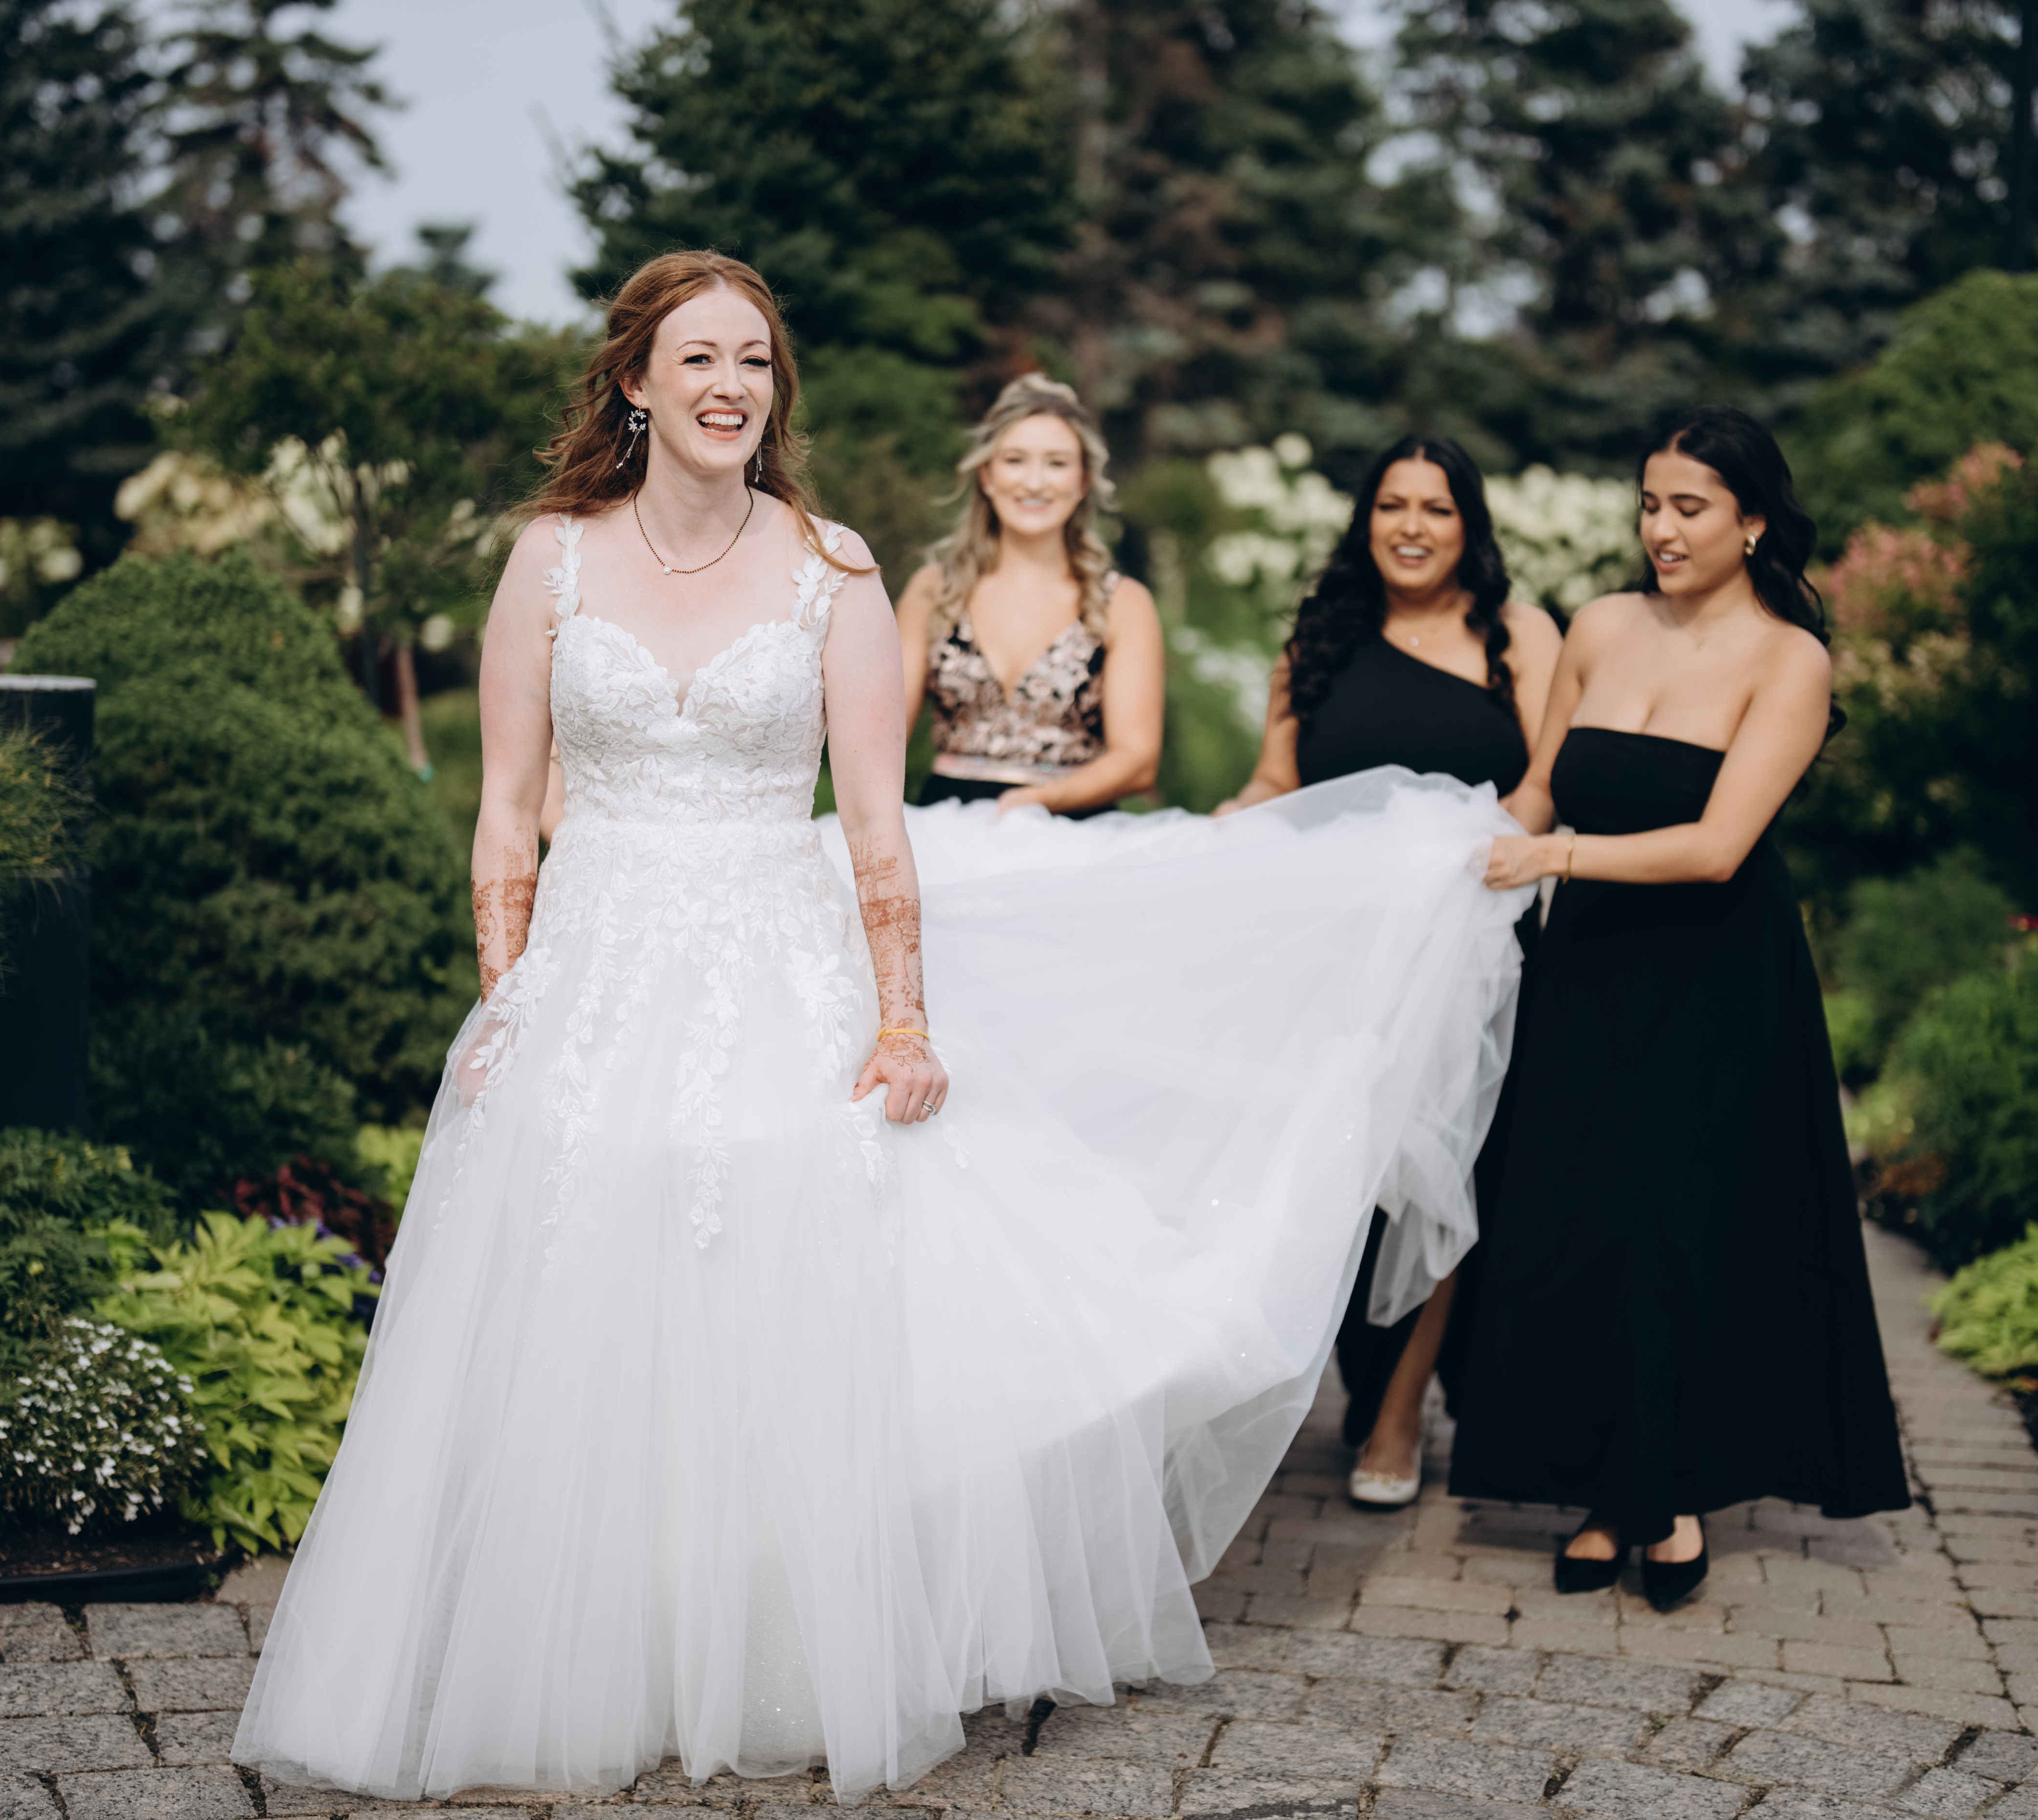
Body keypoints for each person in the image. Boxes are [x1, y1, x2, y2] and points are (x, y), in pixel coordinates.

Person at [233, 250, 1535, 1802]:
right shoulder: (553, 559)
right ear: (635, 382)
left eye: (756, 361)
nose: (730, 386)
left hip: (777, 958)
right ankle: (586, 1640)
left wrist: (905, 1021)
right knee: (583, 1285)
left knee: (773, 1280)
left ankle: (762, 1637)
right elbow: (507, 809)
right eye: (698, 358)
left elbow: (873, 824)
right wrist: (507, 999)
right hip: (593, 973)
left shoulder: (831, 571)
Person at [1449, 404, 1910, 1609]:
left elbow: (1715, 848)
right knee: (1582, 1218)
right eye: (1650, 504)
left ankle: (1678, 1492)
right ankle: (1609, 1488)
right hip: (1587, 970)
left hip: (1718, 978)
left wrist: (1551, 860)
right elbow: (1539, 792)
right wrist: (1436, 854)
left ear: (1751, 522)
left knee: (1684, 1226)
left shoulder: (1789, 660)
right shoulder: (1600, 627)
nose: (1661, 528)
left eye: (1690, 507)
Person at [1218, 436, 1561, 1511]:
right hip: (1333, 954)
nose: (1412, 527)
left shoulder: (1520, 635)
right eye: (1392, 505)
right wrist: (1221, 828)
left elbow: (1546, 783)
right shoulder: (1319, 637)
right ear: (1365, 520)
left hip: (1469, 951)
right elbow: (1277, 780)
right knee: (1336, 1173)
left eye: (1437, 508)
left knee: (1438, 1168)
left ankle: (1406, 1407)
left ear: (1471, 526)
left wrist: (1481, 865)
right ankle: (1348, 1382)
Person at [896, 374, 1161, 817]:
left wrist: (1036, 803)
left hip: (1075, 826)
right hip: (948, 825)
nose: (1035, 483)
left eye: (1057, 464)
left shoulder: (1123, 602)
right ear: (987, 475)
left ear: (1083, 481)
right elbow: (882, 738)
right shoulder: (933, 590)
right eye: (1016, 460)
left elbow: (1137, 761)